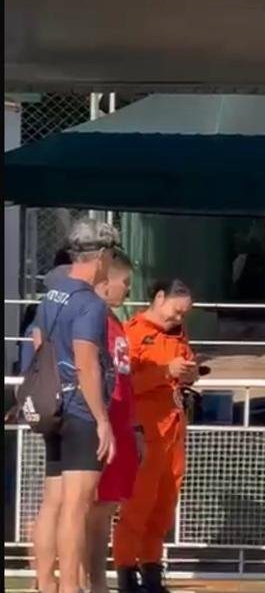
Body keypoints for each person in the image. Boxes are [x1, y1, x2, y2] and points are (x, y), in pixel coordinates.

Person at [29, 219, 120, 593]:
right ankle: (70, 586)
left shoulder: (51, 294)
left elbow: (37, 341)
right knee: (76, 506)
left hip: (52, 406)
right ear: (100, 256)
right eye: (111, 256)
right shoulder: (89, 303)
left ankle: (44, 584)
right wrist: (102, 419)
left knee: (52, 502)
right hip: (80, 410)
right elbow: (86, 359)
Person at [116, 279, 196, 593]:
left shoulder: (177, 335)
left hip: (173, 429)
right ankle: (126, 573)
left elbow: (183, 367)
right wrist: (165, 373)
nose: (179, 319)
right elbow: (123, 384)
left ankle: (151, 570)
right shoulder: (131, 333)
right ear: (159, 298)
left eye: (184, 315)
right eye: (176, 312)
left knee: (164, 506)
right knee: (137, 505)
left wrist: (189, 373)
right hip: (144, 430)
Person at [87, 252, 138, 593]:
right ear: (105, 283)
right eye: (126, 284)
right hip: (96, 425)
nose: (129, 292)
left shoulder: (114, 322)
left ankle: (97, 581)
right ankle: (82, 580)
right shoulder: (89, 320)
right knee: (83, 508)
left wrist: (135, 429)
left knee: (105, 509)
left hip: (119, 426)